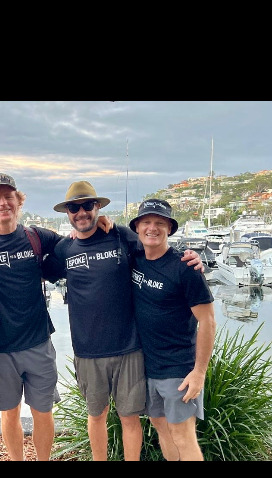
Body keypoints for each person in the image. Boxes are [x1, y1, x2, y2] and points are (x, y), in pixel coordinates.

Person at [42, 181, 203, 461]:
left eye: (87, 205)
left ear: (97, 207)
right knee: (96, 416)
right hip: (87, 351)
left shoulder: (120, 236)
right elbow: (37, 271)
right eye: (74, 208)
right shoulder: (64, 248)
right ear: (67, 213)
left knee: (130, 418)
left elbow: (156, 248)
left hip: (129, 348)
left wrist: (189, 257)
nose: (81, 212)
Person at [0, 173, 111, 461]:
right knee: (10, 413)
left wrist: (100, 224)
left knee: (43, 412)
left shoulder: (36, 237)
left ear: (18, 201)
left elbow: (78, 241)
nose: (3, 203)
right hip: (0, 345)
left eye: (9, 197)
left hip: (39, 342)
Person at [129, 199, 216, 461]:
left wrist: (199, 372)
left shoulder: (185, 268)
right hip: (147, 366)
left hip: (178, 369)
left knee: (182, 435)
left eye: (160, 223)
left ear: (169, 229)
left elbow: (208, 321)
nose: (152, 228)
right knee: (161, 428)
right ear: (137, 227)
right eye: (146, 222)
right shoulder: (135, 259)